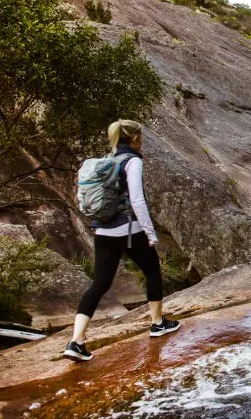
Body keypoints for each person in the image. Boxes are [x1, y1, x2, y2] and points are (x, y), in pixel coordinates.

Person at [64, 120, 180, 362]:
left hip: (103, 233)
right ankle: (157, 323)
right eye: (141, 136)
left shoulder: (106, 161)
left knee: (99, 284)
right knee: (153, 272)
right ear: (135, 138)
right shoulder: (133, 161)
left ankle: (76, 341)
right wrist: (150, 232)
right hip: (129, 231)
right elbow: (137, 200)